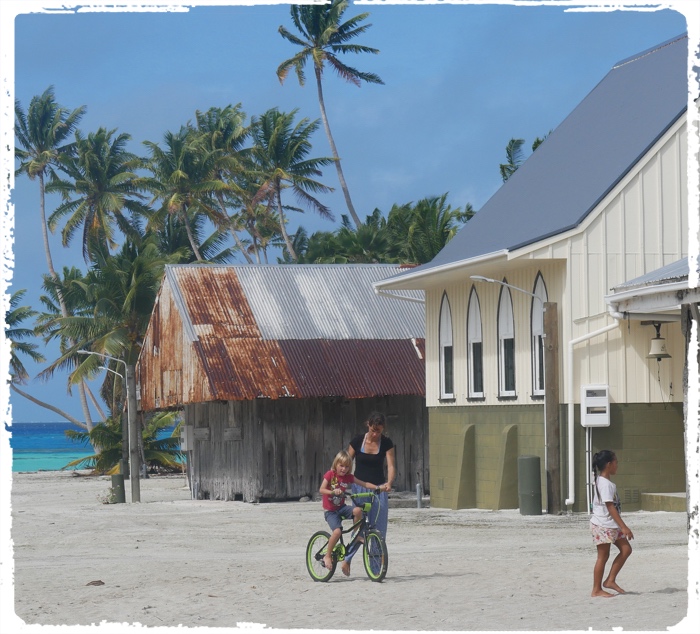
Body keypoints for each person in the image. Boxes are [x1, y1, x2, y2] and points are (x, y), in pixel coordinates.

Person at [342, 411, 396, 576]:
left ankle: (374, 569)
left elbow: (392, 466)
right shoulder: (358, 441)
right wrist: (341, 482)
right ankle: (347, 560)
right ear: (368, 425)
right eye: (373, 430)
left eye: (378, 431)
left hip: (378, 489)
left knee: (379, 530)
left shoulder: (386, 443)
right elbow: (345, 462)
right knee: (359, 526)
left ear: (383, 429)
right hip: (359, 488)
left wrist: (389, 483)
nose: (375, 434)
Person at [319, 450, 378, 572]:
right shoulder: (330, 475)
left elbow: (364, 484)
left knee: (357, 511)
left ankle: (356, 535)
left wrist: (378, 487)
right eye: (341, 465)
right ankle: (327, 556)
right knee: (337, 532)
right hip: (330, 511)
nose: (344, 469)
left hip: (341, 508)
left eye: (347, 467)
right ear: (336, 464)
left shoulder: (348, 478)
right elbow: (321, 490)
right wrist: (332, 492)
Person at [590, 449, 634, 598]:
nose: (617, 465)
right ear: (609, 464)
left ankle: (610, 580)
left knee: (626, 549)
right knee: (603, 556)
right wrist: (624, 527)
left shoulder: (604, 482)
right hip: (603, 525)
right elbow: (610, 507)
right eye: (616, 462)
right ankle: (596, 590)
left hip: (610, 524)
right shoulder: (605, 484)